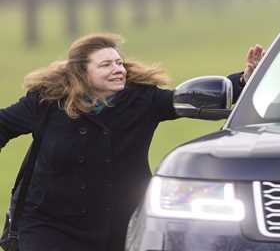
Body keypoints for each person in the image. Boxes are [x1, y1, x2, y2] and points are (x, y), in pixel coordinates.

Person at [0, 33, 264, 251]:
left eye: (119, 63)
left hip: (119, 225)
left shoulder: (142, 100)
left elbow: (194, 98)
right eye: (106, 65)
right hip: (49, 225)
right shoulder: (46, 102)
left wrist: (242, 81)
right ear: (80, 72)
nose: (117, 69)